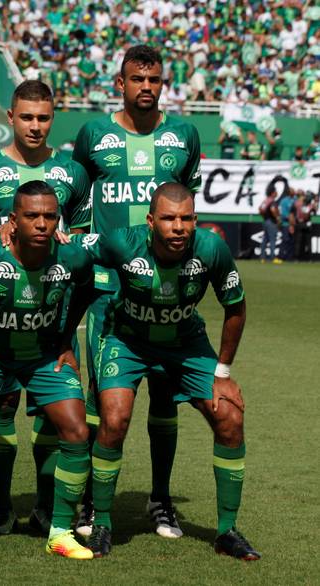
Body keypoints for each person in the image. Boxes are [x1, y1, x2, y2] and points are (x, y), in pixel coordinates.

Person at [77, 183, 260, 561]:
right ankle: (102, 522)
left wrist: (222, 373)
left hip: (185, 342)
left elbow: (236, 307)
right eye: (168, 219)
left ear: (195, 219)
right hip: (126, 339)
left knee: (229, 416)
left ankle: (227, 530)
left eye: (186, 218)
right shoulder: (123, 243)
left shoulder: (211, 249)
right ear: (150, 221)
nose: (179, 227)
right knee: (114, 417)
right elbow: (69, 250)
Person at [73, 44, 202, 540]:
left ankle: (161, 499)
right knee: (103, 401)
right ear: (120, 83)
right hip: (108, 290)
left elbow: (186, 202)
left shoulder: (184, 135)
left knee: (165, 400)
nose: (145, 87)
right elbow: (80, 200)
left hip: (166, 291)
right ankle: (89, 501)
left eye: (153, 80)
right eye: (136, 79)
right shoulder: (93, 134)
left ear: (162, 84)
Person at [0, 79, 90, 535]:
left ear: (53, 119)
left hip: (51, 322)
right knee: (0, 411)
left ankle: (46, 506)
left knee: (55, 416)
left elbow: (79, 247)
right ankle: (0, 505)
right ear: (9, 118)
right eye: (27, 117)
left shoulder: (73, 174)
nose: (36, 126)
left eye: (44, 117)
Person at [0, 180, 94, 560]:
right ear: (13, 219)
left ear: (59, 220)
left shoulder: (71, 257)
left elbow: (88, 284)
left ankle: (60, 531)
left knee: (76, 430)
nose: (41, 224)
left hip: (44, 356)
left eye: (49, 216)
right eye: (31, 216)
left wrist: (63, 341)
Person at [257, 189, 280, 263]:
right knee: (272, 240)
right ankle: (273, 258)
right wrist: (277, 218)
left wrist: (264, 217)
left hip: (265, 221)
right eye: (275, 192)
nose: (277, 193)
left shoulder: (266, 200)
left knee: (265, 240)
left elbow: (260, 209)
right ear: (272, 193)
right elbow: (273, 210)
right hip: (271, 221)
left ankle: (262, 258)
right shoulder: (272, 201)